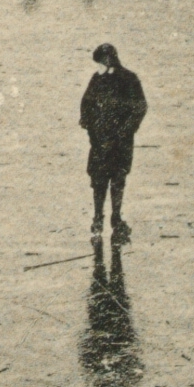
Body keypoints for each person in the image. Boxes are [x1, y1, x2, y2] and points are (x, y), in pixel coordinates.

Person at [80, 43, 147, 245]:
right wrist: (90, 126)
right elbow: (86, 105)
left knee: (118, 179)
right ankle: (98, 218)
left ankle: (115, 218)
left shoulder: (129, 79)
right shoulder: (97, 79)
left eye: (100, 63)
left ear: (109, 61)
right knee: (99, 181)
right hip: (100, 141)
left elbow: (140, 107)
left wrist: (126, 130)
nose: (98, 67)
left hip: (120, 142)